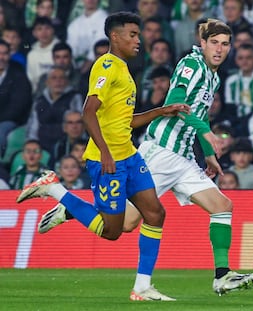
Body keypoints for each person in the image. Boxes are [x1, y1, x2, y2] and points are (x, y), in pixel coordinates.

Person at [25, 17, 253, 297]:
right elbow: (178, 98)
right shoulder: (191, 64)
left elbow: (200, 111)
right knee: (125, 224)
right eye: (214, 43)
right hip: (161, 151)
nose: (220, 49)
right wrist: (206, 133)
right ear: (203, 44)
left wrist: (208, 154)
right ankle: (71, 208)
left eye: (225, 44)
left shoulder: (213, 76)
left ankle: (222, 276)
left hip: (184, 158)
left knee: (222, 206)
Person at [16, 12, 190, 301]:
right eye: (132, 34)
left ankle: (143, 287)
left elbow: (125, 121)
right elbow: (88, 111)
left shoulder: (124, 69)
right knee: (112, 232)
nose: (138, 40)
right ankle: (55, 189)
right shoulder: (107, 66)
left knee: (155, 214)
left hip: (130, 156)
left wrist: (160, 110)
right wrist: (106, 153)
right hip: (107, 160)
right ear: (115, 36)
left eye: (139, 34)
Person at [26, 65, 84, 154]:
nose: (58, 81)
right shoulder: (39, 101)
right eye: (54, 78)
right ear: (47, 82)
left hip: (65, 147)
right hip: (41, 147)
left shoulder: (74, 98)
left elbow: (78, 124)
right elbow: (33, 128)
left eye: (62, 78)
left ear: (67, 81)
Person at [0, 39, 32, 158]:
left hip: (8, 121)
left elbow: (17, 107)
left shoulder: (18, 76)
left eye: (4, 53)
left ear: (10, 55)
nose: (1, 57)